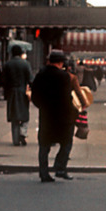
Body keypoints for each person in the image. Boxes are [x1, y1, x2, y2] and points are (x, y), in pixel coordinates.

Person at [31, 50, 88, 182]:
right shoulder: (64, 77)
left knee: (44, 145)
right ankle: (60, 168)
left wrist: (42, 106)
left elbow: (35, 96)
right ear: (61, 62)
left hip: (46, 115)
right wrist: (74, 112)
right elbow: (66, 98)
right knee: (66, 142)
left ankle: (43, 172)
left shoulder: (40, 74)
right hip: (63, 116)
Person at [1, 45, 34, 146]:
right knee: (24, 115)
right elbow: (30, 79)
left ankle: (15, 139)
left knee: (14, 116)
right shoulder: (25, 64)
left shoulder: (7, 64)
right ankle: (23, 133)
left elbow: (4, 80)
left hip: (11, 92)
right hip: (22, 91)